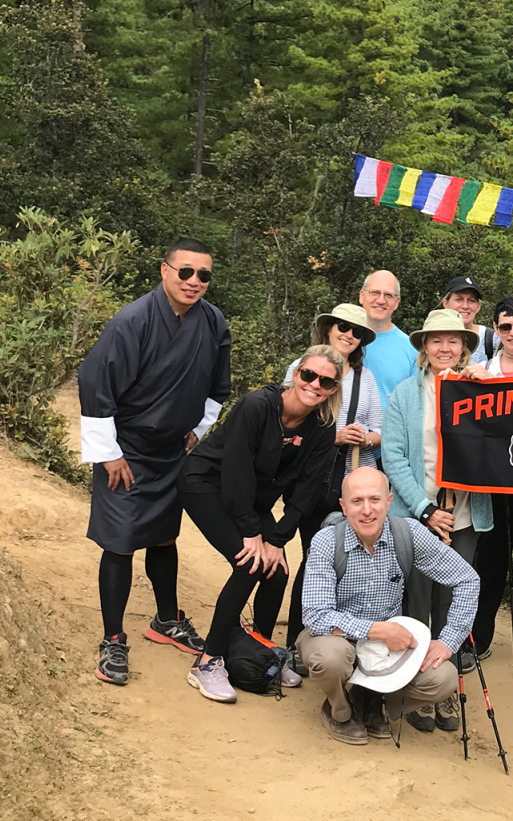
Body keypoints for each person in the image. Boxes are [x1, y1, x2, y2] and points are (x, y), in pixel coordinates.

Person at [79, 239, 231, 688]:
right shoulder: (132, 321)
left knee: (164, 536)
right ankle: (112, 638)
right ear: (164, 271)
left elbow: (217, 387)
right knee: (121, 541)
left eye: (203, 275)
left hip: (173, 450)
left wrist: (197, 431)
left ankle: (166, 619)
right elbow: (96, 384)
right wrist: (109, 454)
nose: (194, 282)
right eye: (185, 272)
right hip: (126, 449)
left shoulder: (213, 321)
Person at [176, 345, 342, 703]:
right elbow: (235, 472)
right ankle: (207, 662)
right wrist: (252, 533)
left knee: (276, 570)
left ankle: (261, 653)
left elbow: (307, 491)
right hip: (206, 482)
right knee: (248, 564)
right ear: (295, 373)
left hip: (251, 499)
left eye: (326, 381)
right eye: (308, 375)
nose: (315, 384)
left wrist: (278, 539)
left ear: (333, 388)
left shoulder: (323, 427)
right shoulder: (258, 406)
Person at [299, 467, 480, 746]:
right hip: (335, 638)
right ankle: (339, 709)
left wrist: (449, 640)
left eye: (375, 499)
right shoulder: (326, 542)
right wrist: (378, 630)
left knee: (443, 678)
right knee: (330, 658)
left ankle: (376, 700)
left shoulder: (408, 534)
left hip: (387, 651)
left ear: (389, 501)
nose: (367, 510)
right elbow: (316, 616)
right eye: (357, 501)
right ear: (343, 506)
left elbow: (467, 579)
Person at [382, 308, 493, 733]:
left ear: (465, 347)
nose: (445, 348)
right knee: (417, 601)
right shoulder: (406, 395)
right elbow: (393, 456)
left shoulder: (477, 390)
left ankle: (443, 689)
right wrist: (424, 510)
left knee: (453, 603)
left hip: (463, 514)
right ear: (424, 348)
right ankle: (415, 690)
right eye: (436, 340)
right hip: (418, 516)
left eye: (453, 340)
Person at [282, 303, 384, 666]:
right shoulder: (302, 367)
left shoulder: (366, 379)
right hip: (311, 479)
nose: (348, 334)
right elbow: (288, 421)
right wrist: (334, 435)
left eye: (356, 331)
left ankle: (342, 646)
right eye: (342, 326)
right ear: (327, 328)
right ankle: (299, 642)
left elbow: (379, 429)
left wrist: (365, 438)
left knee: (352, 567)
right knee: (315, 562)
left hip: (352, 484)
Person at [464, 297, 513, 661]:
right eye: (506, 326)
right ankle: (479, 636)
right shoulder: (481, 369)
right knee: (490, 560)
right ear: (495, 329)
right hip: (494, 481)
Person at [358, 270, 417, 413]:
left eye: (389, 295)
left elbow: (415, 402)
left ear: (397, 302)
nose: (381, 300)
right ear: (362, 296)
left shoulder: (411, 348)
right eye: (375, 292)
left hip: (389, 432)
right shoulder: (342, 340)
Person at [440, 275, 496, 365]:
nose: (465, 306)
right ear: (445, 304)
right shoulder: (432, 336)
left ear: (478, 307)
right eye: (459, 299)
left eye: (471, 300)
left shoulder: (492, 339)